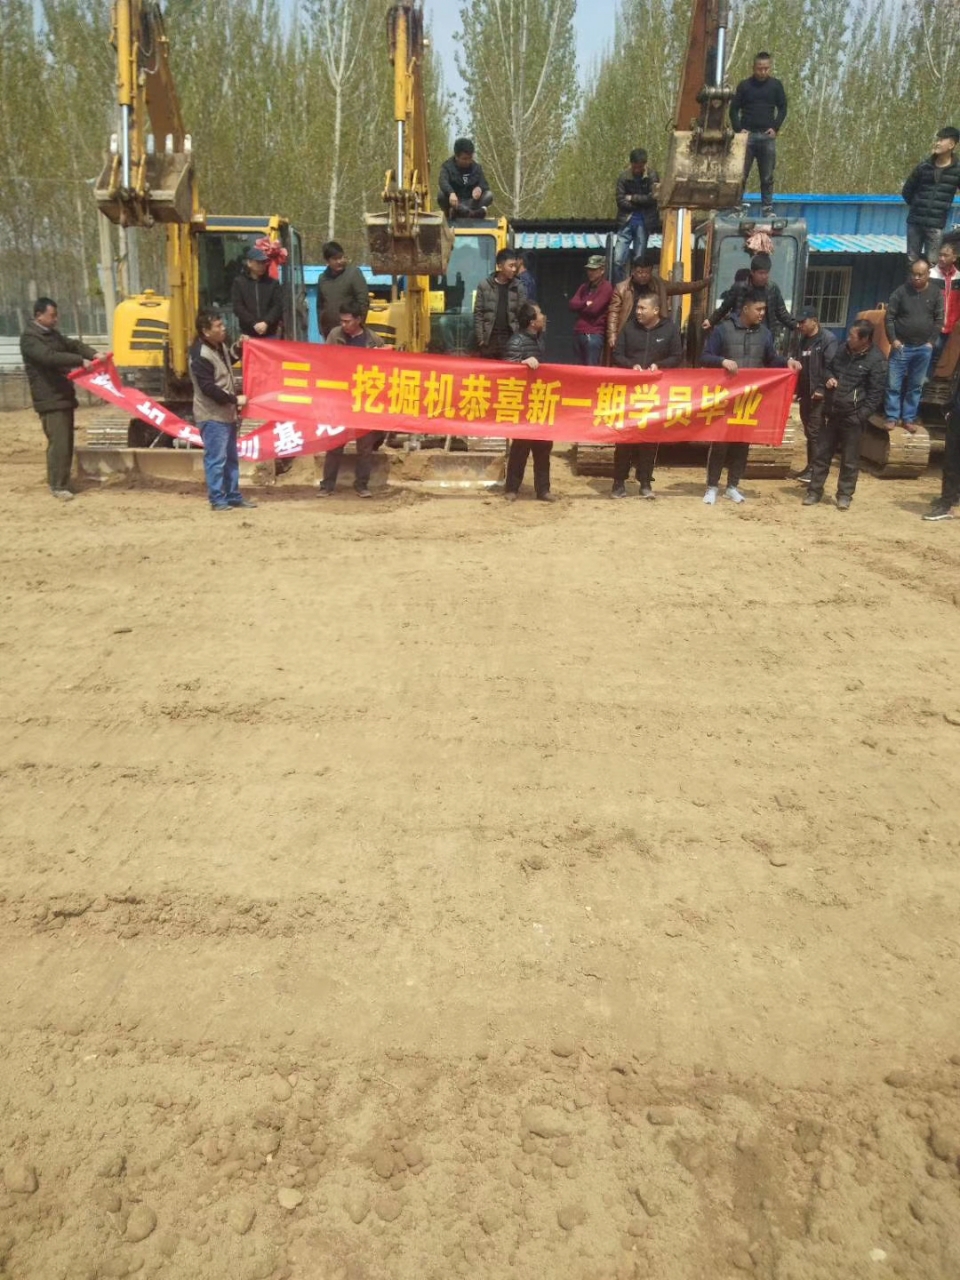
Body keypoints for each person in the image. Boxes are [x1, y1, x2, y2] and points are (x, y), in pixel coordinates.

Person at [700, 290, 801, 504]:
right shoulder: (723, 330)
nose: (762, 313)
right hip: (725, 398)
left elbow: (771, 359)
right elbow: (706, 356)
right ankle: (712, 487)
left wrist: (786, 362)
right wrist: (722, 361)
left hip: (750, 399)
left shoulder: (764, 334)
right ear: (745, 309)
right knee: (720, 443)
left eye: (764, 309)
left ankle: (732, 486)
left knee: (742, 444)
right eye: (758, 309)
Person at [19, 297, 97, 501]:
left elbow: (73, 345)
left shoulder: (52, 334)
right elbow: (49, 357)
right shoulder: (30, 339)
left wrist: (93, 354)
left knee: (66, 442)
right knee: (59, 443)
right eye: (52, 315)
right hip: (49, 398)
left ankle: (62, 480)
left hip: (62, 395)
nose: (56, 319)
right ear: (39, 315)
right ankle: (57, 485)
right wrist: (80, 361)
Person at [803, 319, 886, 511]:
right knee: (822, 455)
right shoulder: (843, 350)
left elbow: (875, 395)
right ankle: (814, 492)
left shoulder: (877, 360)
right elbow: (828, 369)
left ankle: (844, 495)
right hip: (832, 413)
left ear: (865, 339)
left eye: (852, 336)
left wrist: (860, 416)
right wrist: (829, 378)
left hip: (853, 418)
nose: (848, 339)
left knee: (849, 459)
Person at [610, 290, 683, 500]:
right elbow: (617, 354)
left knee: (649, 439)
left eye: (643, 308)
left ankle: (645, 482)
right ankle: (618, 482)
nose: (638, 312)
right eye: (638, 308)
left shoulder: (669, 329)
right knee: (624, 438)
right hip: (630, 393)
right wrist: (631, 365)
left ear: (656, 310)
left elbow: (677, 356)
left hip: (655, 393)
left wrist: (659, 366)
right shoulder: (629, 327)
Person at [188, 309, 255, 512]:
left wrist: (239, 347)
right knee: (216, 459)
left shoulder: (219, 347)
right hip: (212, 415)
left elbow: (229, 360)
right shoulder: (200, 355)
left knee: (230, 458)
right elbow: (208, 388)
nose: (223, 328)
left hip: (226, 414)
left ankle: (233, 495)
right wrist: (235, 399)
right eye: (218, 326)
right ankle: (217, 499)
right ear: (206, 331)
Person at [318, 304, 385, 499]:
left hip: (364, 399)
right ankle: (327, 485)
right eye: (342, 321)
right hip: (340, 398)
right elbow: (325, 361)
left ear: (358, 320)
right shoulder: (335, 336)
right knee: (335, 442)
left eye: (347, 321)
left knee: (365, 446)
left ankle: (362, 484)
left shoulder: (373, 340)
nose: (344, 325)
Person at [607, 248, 711, 351]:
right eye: (639, 272)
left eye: (647, 272)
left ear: (651, 271)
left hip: (653, 330)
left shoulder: (658, 284)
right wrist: (612, 335)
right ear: (633, 272)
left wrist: (704, 283)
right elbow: (613, 312)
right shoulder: (621, 288)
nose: (643, 275)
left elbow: (680, 287)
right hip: (629, 330)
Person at [883, 259, 943, 432]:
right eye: (913, 274)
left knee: (916, 386)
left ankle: (909, 418)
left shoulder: (935, 293)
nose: (916, 277)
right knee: (893, 384)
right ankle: (892, 417)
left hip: (923, 348)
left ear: (928, 274)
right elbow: (889, 317)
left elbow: (939, 319)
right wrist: (893, 339)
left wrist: (931, 342)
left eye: (920, 274)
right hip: (902, 347)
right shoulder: (901, 292)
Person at [503, 302, 555, 503]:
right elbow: (506, 372)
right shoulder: (516, 342)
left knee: (543, 449)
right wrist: (521, 364)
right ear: (532, 322)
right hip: (523, 405)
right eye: (540, 314)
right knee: (520, 449)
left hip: (539, 402)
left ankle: (543, 489)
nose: (544, 317)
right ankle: (511, 488)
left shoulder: (540, 339)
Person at [730, 51, 787, 216]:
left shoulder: (776, 86)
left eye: (766, 68)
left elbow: (783, 108)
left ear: (770, 68)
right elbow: (733, 110)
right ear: (753, 67)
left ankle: (767, 209)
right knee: (740, 175)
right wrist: (739, 129)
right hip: (747, 138)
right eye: (760, 68)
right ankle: (736, 208)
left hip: (766, 137)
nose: (763, 72)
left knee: (767, 176)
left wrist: (775, 127)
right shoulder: (744, 86)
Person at [793, 305, 839, 483]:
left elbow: (831, 366)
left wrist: (821, 389)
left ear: (814, 321)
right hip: (805, 394)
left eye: (803, 322)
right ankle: (810, 466)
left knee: (815, 432)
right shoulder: (803, 340)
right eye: (798, 322)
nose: (800, 325)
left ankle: (815, 471)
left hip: (819, 395)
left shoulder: (827, 339)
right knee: (808, 431)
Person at [901, 127, 960, 265]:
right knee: (912, 262)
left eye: (941, 140)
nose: (937, 143)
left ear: (951, 144)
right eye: (937, 140)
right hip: (915, 222)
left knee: (933, 263)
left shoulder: (957, 170)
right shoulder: (924, 166)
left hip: (936, 225)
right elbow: (907, 191)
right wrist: (917, 206)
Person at [706, 253, 796, 339]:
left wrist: (796, 325)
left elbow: (782, 312)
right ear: (752, 272)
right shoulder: (739, 288)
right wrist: (711, 321)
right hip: (741, 334)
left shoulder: (773, 289)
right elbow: (724, 308)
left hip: (765, 336)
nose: (764, 276)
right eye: (761, 273)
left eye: (766, 273)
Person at [613, 149, 660, 283]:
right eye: (635, 167)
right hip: (626, 222)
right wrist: (641, 203)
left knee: (639, 259)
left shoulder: (652, 176)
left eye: (640, 167)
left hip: (644, 223)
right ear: (631, 164)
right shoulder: (623, 177)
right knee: (618, 259)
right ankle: (622, 286)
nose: (637, 170)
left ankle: (635, 287)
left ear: (645, 164)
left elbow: (653, 198)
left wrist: (632, 198)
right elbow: (620, 201)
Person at [474, 249, 525, 359]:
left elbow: (522, 315)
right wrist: (481, 339)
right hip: (489, 339)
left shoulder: (518, 286)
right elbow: (478, 314)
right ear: (500, 266)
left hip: (510, 338)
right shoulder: (484, 285)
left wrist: (519, 338)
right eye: (511, 266)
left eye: (515, 266)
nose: (514, 269)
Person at [923, 377, 960, 520]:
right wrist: (949, 410)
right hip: (957, 416)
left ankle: (947, 504)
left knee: (953, 462)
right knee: (951, 461)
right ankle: (949, 499)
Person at [316, 241, 369, 340]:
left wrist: (357, 326)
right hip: (329, 333)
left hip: (351, 333)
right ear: (327, 261)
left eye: (341, 257)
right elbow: (320, 305)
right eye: (335, 259)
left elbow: (363, 301)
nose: (339, 261)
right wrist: (321, 327)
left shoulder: (353, 274)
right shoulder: (323, 278)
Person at [569, 255, 614, 365]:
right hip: (578, 332)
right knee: (576, 369)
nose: (590, 272)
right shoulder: (584, 287)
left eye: (594, 270)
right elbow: (572, 305)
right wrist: (585, 303)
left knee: (591, 368)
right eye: (589, 269)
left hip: (593, 334)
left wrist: (580, 307)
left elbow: (594, 309)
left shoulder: (606, 287)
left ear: (602, 270)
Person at [230, 245, 284, 338]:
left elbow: (278, 305)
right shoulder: (239, 282)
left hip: (270, 332)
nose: (262, 266)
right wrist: (254, 323)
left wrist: (266, 322)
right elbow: (238, 307)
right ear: (249, 263)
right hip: (248, 333)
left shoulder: (272, 283)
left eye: (264, 262)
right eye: (258, 262)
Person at [438, 138, 493, 220]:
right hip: (455, 202)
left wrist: (479, 188)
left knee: (488, 195)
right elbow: (443, 181)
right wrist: (451, 192)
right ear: (456, 157)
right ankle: (461, 213)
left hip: (471, 202)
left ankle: (466, 213)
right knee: (441, 195)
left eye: (470, 158)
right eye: (464, 159)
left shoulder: (476, 167)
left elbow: (484, 184)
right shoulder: (447, 167)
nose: (468, 161)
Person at [929, 239, 960, 366]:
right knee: (927, 355)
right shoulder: (930, 274)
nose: (942, 258)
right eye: (940, 255)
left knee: (938, 358)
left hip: (951, 326)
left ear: (954, 257)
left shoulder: (958, 277)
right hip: (931, 325)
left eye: (946, 255)